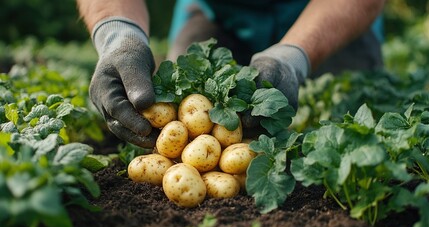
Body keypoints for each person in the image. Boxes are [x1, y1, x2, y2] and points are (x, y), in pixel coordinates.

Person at [76, 0, 386, 148]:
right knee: (187, 94)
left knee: (345, 121)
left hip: (326, 13)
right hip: (217, 13)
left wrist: (296, 56)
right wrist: (118, 33)